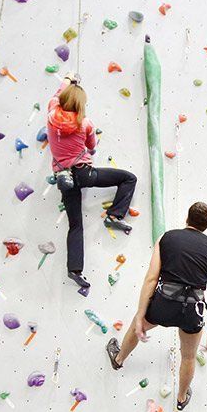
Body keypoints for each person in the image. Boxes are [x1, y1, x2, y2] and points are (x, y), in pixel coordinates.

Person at [107, 202, 207, 411]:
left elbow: (151, 279)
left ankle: (118, 358)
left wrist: (140, 317)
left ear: (187, 219)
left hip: (163, 305)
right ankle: (180, 398)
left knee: (137, 324)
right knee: (188, 356)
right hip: (191, 312)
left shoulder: (167, 238)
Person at [48, 75, 136, 293]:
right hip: (84, 173)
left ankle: (75, 270)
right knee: (128, 178)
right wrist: (90, 147)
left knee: (75, 225)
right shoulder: (84, 123)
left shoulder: (51, 114)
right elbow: (91, 145)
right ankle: (114, 216)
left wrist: (68, 79)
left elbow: (56, 95)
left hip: (64, 179)